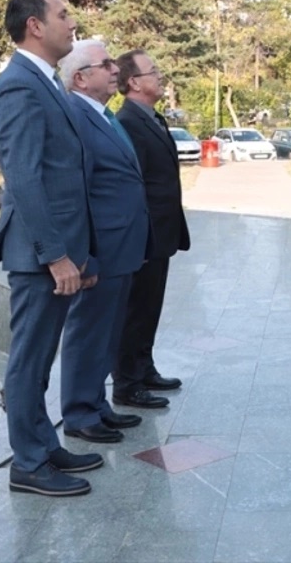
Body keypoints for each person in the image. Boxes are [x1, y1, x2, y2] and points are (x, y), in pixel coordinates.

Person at [0, 0, 101, 497]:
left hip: (55, 250)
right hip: (37, 255)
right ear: (36, 25)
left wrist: (79, 252)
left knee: (41, 356)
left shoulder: (44, 81)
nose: (72, 23)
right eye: (64, 14)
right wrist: (56, 256)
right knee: (28, 361)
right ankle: (27, 462)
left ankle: (43, 446)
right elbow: (25, 179)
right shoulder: (18, 86)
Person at [59, 40, 152, 443]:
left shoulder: (103, 113)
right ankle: (79, 414)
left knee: (108, 331)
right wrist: (86, 254)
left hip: (124, 245)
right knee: (88, 331)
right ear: (80, 78)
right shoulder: (76, 115)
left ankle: (97, 404)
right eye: (106, 64)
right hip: (102, 246)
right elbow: (78, 190)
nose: (116, 70)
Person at [112, 49, 191, 409]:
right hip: (143, 235)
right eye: (153, 72)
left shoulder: (151, 117)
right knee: (135, 309)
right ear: (134, 82)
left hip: (160, 232)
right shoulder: (128, 121)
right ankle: (127, 383)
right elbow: (133, 183)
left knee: (150, 306)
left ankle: (145, 368)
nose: (160, 77)